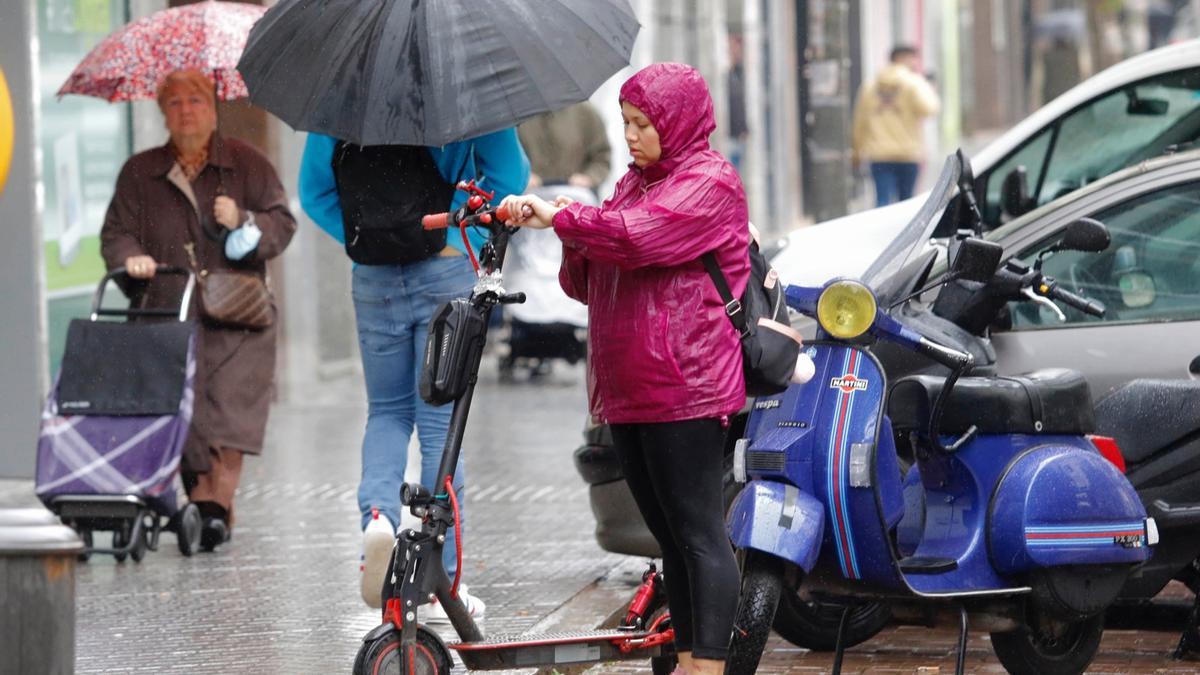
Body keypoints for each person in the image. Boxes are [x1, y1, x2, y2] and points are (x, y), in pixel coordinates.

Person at [500, 63, 745, 675]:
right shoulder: (631, 184)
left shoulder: (708, 181)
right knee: (669, 540)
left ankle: (707, 666)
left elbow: (639, 239)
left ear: (678, 122)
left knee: (698, 533)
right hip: (628, 386)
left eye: (643, 124)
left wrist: (565, 219)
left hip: (686, 385)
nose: (631, 136)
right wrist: (567, 233)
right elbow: (586, 281)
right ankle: (687, 655)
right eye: (626, 123)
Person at [298, 131, 528, 618]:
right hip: (444, 270)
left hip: (372, 275)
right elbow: (509, 176)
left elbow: (312, 191)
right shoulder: (464, 87)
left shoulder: (342, 99)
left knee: (386, 411)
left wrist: (368, 239)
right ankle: (440, 580)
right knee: (440, 424)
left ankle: (377, 518)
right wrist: (455, 236)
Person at [100, 69, 297, 551]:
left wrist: (245, 219)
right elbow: (115, 232)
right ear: (162, 111)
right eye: (175, 103)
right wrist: (130, 258)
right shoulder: (139, 172)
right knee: (186, 414)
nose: (186, 110)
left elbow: (282, 223)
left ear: (213, 107)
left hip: (239, 318)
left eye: (196, 100)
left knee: (231, 411)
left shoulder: (246, 165)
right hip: (170, 312)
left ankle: (211, 507)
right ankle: (208, 508)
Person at [851, 45, 941, 206]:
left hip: (879, 154)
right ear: (902, 58)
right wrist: (929, 88)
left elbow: (860, 123)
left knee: (882, 201)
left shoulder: (870, 86)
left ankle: (882, 231)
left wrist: (857, 153)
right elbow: (930, 108)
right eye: (913, 59)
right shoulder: (914, 83)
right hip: (908, 153)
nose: (915, 63)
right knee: (906, 203)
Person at [517, 100, 611, 194]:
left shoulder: (585, 112)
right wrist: (523, 177)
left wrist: (589, 178)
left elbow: (602, 156)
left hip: (576, 195)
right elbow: (508, 159)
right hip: (531, 194)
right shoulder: (517, 117)